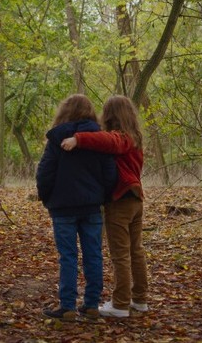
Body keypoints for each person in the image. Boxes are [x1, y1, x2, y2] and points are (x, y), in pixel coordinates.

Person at [61, 95, 149, 318]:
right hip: (135, 198)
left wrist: (78, 139)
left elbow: (109, 141)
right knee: (135, 251)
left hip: (122, 200)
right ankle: (139, 299)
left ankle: (120, 304)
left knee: (121, 254)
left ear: (110, 115)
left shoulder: (121, 138)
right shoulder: (135, 137)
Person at [36, 94, 117, 321]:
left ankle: (68, 306)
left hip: (62, 208)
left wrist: (47, 198)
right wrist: (103, 196)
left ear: (64, 112)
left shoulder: (56, 140)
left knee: (68, 256)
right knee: (93, 254)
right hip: (91, 206)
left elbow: (44, 173)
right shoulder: (100, 139)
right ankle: (91, 304)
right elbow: (110, 174)